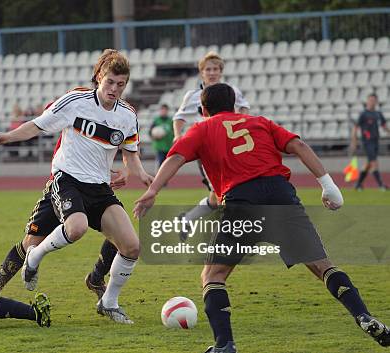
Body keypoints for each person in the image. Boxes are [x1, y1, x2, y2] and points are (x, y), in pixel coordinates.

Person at [134, 83, 390, 352]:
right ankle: (362, 315)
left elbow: (175, 157)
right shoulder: (260, 122)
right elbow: (299, 145)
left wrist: (152, 190)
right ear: (234, 105)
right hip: (281, 194)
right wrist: (328, 184)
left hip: (242, 200)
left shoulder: (202, 128)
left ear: (203, 109)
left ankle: (224, 345)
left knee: (213, 274)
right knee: (322, 265)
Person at [0, 49, 154, 324]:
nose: (114, 89)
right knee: (65, 232)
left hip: (98, 188)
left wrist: (141, 174)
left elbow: (130, 151)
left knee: (132, 245)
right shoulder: (76, 101)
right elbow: (37, 125)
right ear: (99, 76)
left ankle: (109, 302)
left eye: (121, 84)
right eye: (110, 82)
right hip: (66, 180)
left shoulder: (126, 115)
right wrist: (6, 137)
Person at [172, 52, 250, 231]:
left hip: (230, 146)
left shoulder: (231, 91)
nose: (212, 72)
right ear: (202, 73)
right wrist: (177, 135)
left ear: (221, 71)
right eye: (208, 69)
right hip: (207, 149)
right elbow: (179, 117)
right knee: (223, 190)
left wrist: (242, 120)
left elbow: (245, 106)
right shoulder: (193, 95)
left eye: (215, 69)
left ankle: (188, 220)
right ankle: (231, 229)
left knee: (221, 193)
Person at [350, 93, 389, 190]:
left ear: (376, 102)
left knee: (369, 164)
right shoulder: (364, 114)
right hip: (367, 142)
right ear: (367, 101)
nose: (372, 102)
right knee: (374, 163)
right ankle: (381, 185)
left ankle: (358, 184)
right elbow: (355, 128)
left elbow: (384, 126)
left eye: (374, 100)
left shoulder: (378, 114)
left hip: (375, 141)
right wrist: (354, 142)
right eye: (370, 100)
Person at [149, 104, 174, 169]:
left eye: (165, 110)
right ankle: (158, 177)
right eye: (162, 110)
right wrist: (155, 136)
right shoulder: (156, 120)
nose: (164, 111)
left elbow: (175, 132)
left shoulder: (171, 121)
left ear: (167, 111)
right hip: (159, 146)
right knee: (160, 163)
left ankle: (166, 177)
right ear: (160, 111)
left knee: (168, 164)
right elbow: (150, 132)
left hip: (169, 146)